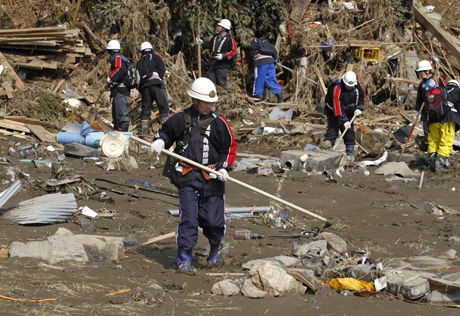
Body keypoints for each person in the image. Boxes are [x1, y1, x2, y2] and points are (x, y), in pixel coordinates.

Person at [150, 77, 237, 270]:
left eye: (212, 103)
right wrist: (160, 141)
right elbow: (164, 132)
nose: (209, 106)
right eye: (206, 102)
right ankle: (184, 260)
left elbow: (229, 148)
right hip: (187, 177)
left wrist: (223, 167)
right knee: (189, 219)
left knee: (213, 221)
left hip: (212, 178)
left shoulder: (220, 122)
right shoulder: (180, 118)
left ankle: (215, 249)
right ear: (195, 101)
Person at [415, 59, 460, 172]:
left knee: (437, 140)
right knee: (435, 140)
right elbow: (419, 102)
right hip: (432, 116)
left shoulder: (438, 79)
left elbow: (445, 96)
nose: (420, 75)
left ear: (428, 71)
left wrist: (435, 87)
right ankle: (436, 164)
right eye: (419, 73)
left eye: (421, 72)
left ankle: (436, 163)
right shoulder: (422, 85)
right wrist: (420, 113)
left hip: (440, 114)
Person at [323, 71, 366, 157]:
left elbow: (362, 96)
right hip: (334, 113)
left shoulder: (357, 86)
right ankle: (326, 152)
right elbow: (337, 106)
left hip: (349, 112)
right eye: (348, 86)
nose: (349, 88)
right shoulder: (337, 88)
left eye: (351, 86)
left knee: (349, 133)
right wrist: (344, 120)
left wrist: (360, 108)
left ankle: (350, 153)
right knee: (332, 132)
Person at [136, 41, 169, 134]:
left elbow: (137, 76)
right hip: (156, 84)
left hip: (145, 87)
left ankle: (144, 131)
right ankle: (166, 129)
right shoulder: (155, 57)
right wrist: (158, 79)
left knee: (146, 109)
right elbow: (162, 69)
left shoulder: (140, 62)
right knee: (164, 107)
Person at [196, 19, 237, 89]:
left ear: (223, 28)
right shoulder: (215, 37)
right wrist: (202, 43)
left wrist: (223, 56)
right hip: (213, 62)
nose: (217, 27)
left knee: (221, 83)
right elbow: (210, 44)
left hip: (222, 65)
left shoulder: (230, 39)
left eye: (219, 26)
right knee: (210, 82)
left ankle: (222, 97)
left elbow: (233, 51)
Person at [246, 33, 283, 103]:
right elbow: (275, 52)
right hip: (271, 61)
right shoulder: (264, 42)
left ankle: (257, 98)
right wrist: (274, 61)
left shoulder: (251, 42)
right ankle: (280, 97)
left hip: (261, 62)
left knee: (259, 79)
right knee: (272, 79)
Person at [106, 40, 131, 132]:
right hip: (118, 91)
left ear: (111, 51)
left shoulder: (118, 58)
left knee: (121, 116)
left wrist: (110, 77)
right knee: (117, 116)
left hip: (121, 90)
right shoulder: (120, 58)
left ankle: (122, 138)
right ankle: (116, 136)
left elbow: (119, 69)